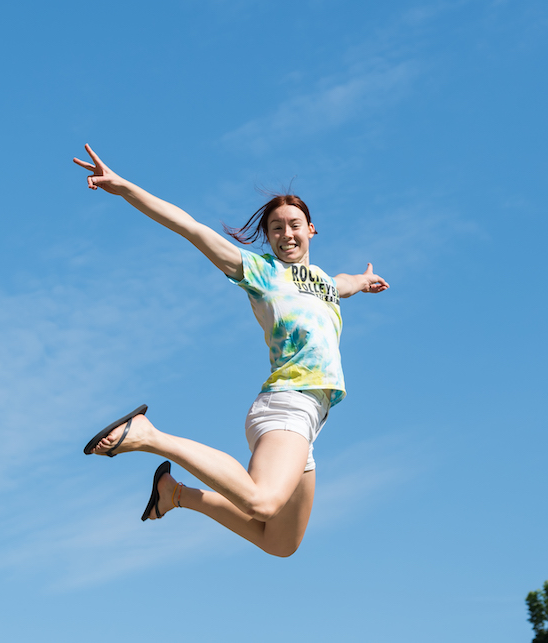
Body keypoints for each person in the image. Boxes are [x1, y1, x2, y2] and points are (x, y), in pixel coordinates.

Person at [73, 144, 388, 557]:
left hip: (310, 420)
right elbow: (190, 227)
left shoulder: (324, 282)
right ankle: (150, 436)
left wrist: (364, 281)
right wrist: (126, 188)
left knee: (279, 542)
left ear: (311, 229)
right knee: (262, 501)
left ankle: (175, 495)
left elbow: (345, 282)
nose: (286, 233)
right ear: (269, 237)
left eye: (294, 224)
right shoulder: (261, 272)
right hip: (286, 403)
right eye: (276, 228)